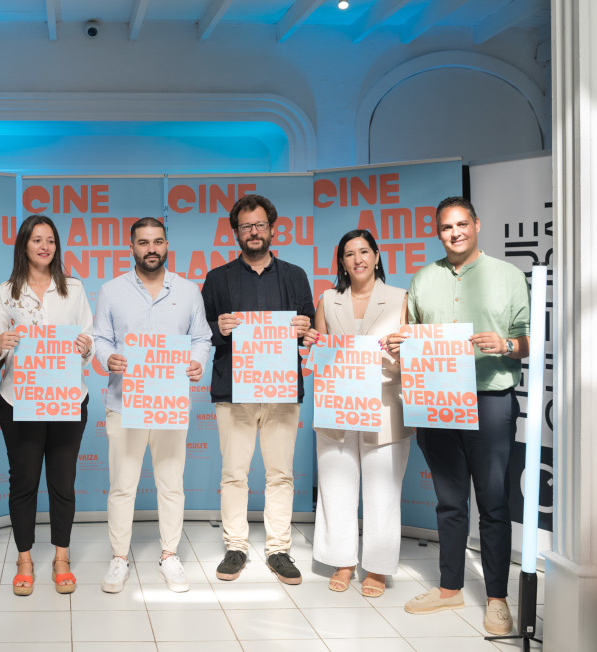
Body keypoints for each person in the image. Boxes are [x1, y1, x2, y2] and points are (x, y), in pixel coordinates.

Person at [386, 197, 529, 636]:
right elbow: (412, 334)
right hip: (437, 399)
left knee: (493, 501)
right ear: (439, 233)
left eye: (462, 224)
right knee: (449, 500)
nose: (455, 233)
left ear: (476, 225)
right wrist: (400, 343)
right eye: (447, 227)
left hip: (490, 398)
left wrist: (506, 345)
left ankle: (497, 598)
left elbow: (527, 339)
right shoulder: (422, 278)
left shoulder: (508, 276)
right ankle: (450, 588)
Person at [93, 217, 213, 594]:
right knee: (122, 485)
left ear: (166, 245)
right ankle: (118, 558)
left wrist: (196, 361)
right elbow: (99, 338)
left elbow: (202, 337)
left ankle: (169, 555)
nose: (151, 249)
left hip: (169, 402)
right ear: (131, 247)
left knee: (171, 483)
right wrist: (108, 357)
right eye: (143, 242)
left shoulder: (188, 291)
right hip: (124, 402)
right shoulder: (112, 291)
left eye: (157, 241)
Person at [201, 194, 315, 584]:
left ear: (272, 228)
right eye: (246, 226)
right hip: (234, 391)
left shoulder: (296, 276)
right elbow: (200, 332)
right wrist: (219, 328)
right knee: (234, 473)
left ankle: (278, 549)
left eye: (260, 225)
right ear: (236, 232)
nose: (254, 232)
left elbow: (309, 328)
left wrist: (305, 328)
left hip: (282, 391)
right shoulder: (217, 278)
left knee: (280, 474)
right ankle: (235, 546)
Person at [0, 214, 93, 596]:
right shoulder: (5, 292)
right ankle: (24, 559)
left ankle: (62, 558)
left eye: (50, 240)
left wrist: (86, 345)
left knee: (63, 483)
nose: (45, 246)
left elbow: (89, 337)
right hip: (19, 401)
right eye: (37, 240)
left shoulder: (73, 289)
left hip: (67, 400)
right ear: (24, 246)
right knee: (24, 483)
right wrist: (0, 342)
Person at [304, 229, 409, 598]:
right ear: (342, 262)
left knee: (383, 491)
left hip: (384, 404)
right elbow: (317, 353)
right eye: (349, 254)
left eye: (364, 251)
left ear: (377, 256)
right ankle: (342, 561)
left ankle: (377, 567)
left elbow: (415, 352)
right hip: (338, 403)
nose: (358, 259)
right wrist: (311, 344)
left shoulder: (400, 298)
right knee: (336, 485)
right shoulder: (328, 299)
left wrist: (402, 348)